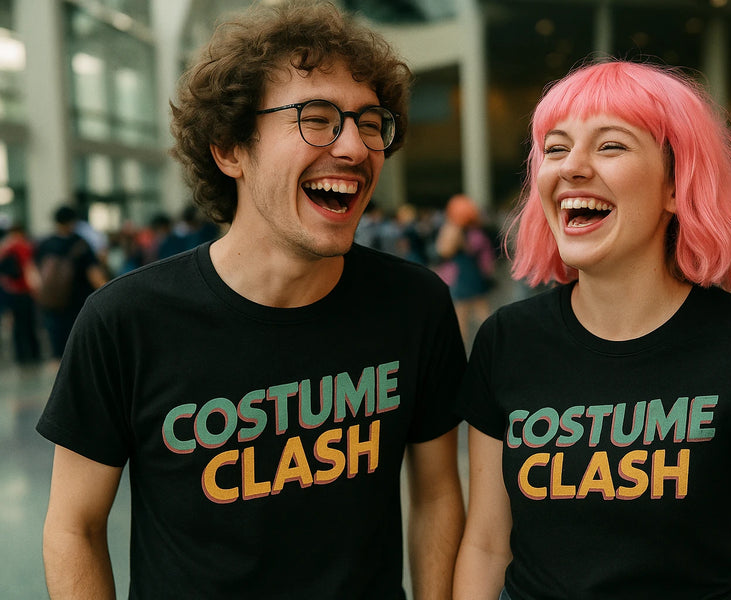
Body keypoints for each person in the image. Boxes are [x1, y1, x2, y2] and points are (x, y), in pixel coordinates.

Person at [37, 2, 466, 599]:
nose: (353, 147)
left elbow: (439, 492)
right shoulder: (126, 321)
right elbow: (73, 528)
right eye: (316, 118)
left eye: (370, 122)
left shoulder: (414, 304)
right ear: (229, 148)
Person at [453, 60, 731, 600]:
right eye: (557, 148)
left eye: (610, 146)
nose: (572, 168)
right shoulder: (506, 340)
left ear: (676, 187)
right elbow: (487, 546)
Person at [34, 205, 108, 361]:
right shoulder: (80, 243)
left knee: (56, 336)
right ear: (73, 222)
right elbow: (93, 273)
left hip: (53, 300)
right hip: (77, 299)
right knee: (77, 336)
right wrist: (107, 290)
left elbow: (36, 271)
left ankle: (56, 366)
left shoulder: (45, 243)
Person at [435, 194, 496, 345]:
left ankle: (459, 353)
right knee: (482, 312)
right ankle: (496, 343)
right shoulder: (476, 230)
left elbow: (444, 251)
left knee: (461, 316)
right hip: (474, 274)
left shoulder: (454, 229)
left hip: (460, 276)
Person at [0, 222, 42, 364]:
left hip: (11, 291)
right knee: (29, 323)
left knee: (18, 326)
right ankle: (33, 354)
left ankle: (21, 356)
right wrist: (35, 288)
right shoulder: (23, 246)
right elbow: (28, 268)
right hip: (25, 291)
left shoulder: (5, 247)